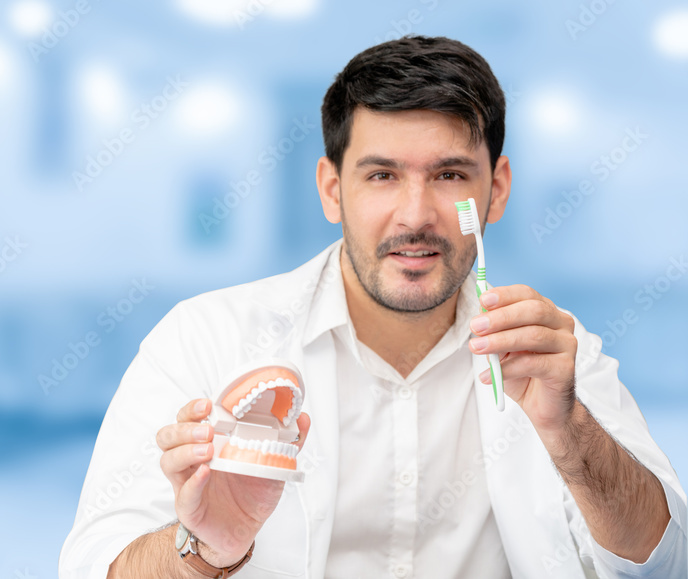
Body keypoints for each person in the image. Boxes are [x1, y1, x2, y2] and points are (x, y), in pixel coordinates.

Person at [59, 36, 687, 579]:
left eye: (449, 175)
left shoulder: (555, 358)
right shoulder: (204, 340)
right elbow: (94, 565)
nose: (415, 216)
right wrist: (206, 551)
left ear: (494, 192)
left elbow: (666, 560)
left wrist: (569, 431)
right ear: (333, 191)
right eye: (381, 176)